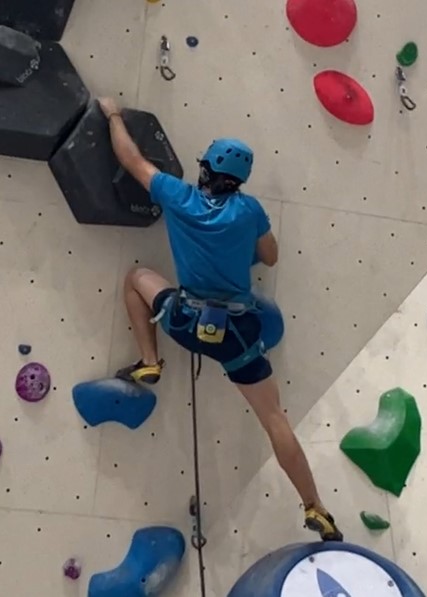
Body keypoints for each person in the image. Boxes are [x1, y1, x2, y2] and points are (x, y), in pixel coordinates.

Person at [97, 97, 343, 542]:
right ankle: (315, 507)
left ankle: (150, 359)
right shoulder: (248, 211)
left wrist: (113, 114)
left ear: (206, 169)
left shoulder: (178, 195)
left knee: (137, 278)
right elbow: (270, 257)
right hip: (237, 336)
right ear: (239, 180)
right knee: (274, 418)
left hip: (185, 321)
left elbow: (130, 158)